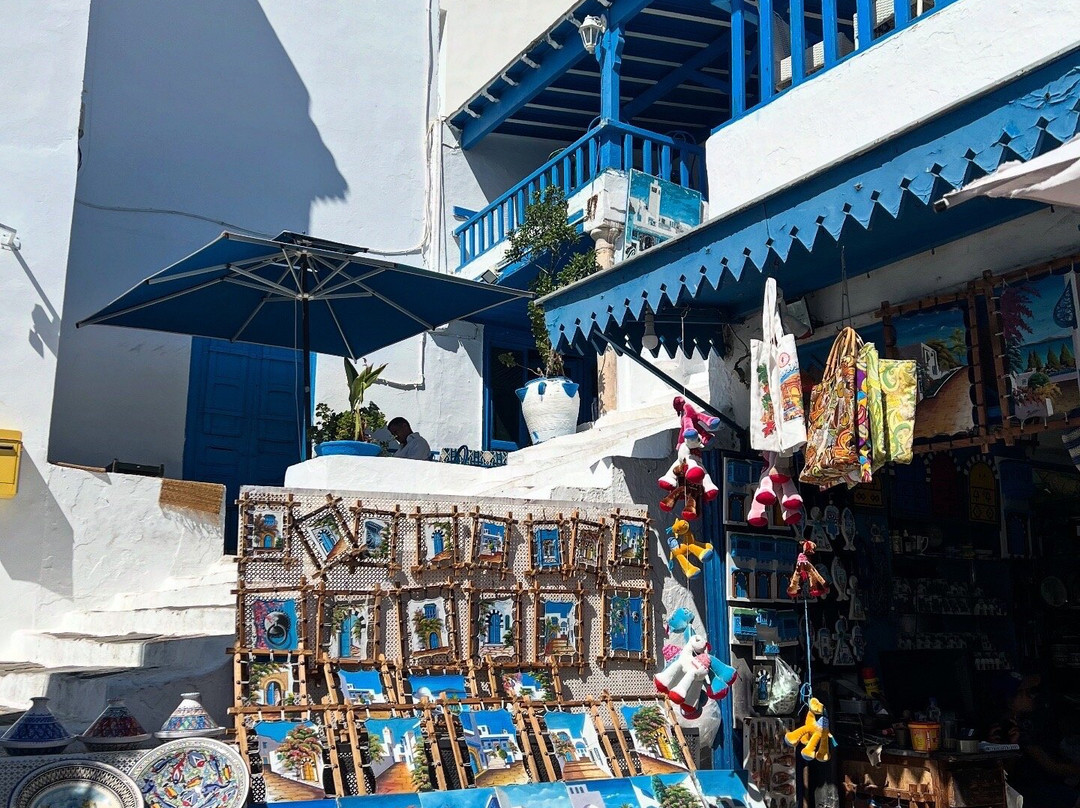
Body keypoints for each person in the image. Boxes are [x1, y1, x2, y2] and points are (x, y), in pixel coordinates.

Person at [988, 672, 1080, 808]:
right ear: (1010, 701)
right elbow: (1052, 766)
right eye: (1024, 693)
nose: (1032, 697)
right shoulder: (1009, 729)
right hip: (1028, 791)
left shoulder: (1025, 722)